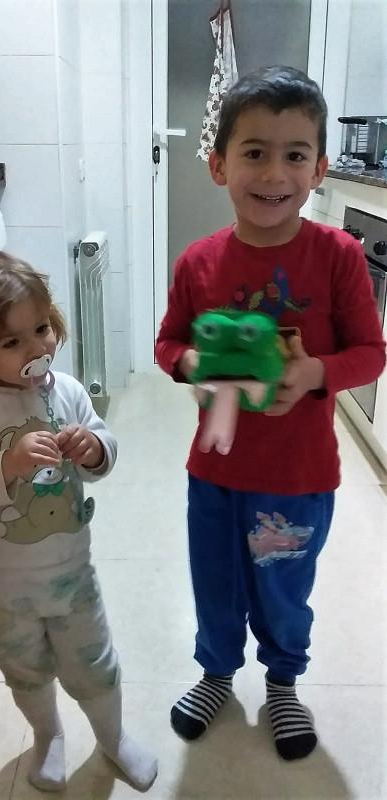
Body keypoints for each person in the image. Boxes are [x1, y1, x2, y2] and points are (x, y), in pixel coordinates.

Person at [155, 65, 385, 761]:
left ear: (319, 169)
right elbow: (168, 343)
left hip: (297, 478)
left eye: (294, 155)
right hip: (215, 474)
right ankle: (217, 673)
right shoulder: (198, 262)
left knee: (284, 588)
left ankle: (283, 682)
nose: (274, 173)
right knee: (216, 583)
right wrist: (194, 365)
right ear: (219, 164)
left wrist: (316, 373)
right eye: (254, 151)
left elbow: (371, 353)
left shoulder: (338, 256)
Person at [0, 251, 157, 792]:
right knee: (26, 672)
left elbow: (104, 449)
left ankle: (113, 737)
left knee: (94, 663)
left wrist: (94, 448)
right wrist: (5, 465)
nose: (37, 349)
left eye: (41, 329)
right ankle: (48, 733)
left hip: (70, 576)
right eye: (11, 342)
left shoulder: (67, 391)